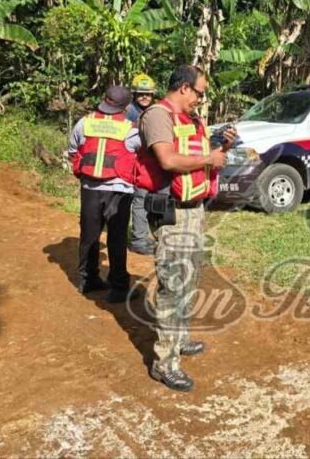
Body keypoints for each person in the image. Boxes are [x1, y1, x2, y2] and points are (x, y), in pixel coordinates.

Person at [136, 65, 236, 392]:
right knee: (173, 284)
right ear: (183, 88)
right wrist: (210, 158)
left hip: (194, 210)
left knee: (189, 279)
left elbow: (204, 159)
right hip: (172, 214)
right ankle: (164, 364)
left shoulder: (192, 121)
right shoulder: (157, 116)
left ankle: (179, 340)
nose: (200, 99)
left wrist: (222, 150)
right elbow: (167, 160)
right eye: (199, 93)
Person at [68, 85, 140, 304]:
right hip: (119, 190)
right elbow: (142, 154)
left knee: (89, 234)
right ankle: (118, 288)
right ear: (126, 106)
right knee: (117, 238)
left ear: (104, 101)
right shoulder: (131, 129)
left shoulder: (84, 122)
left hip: (89, 188)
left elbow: (73, 151)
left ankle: (87, 280)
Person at [127, 73, 157, 256]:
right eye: (140, 94)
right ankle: (139, 239)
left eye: (148, 94)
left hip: (149, 164)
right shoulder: (129, 112)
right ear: (134, 94)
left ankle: (144, 236)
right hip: (135, 164)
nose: (145, 97)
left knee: (148, 201)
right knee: (140, 202)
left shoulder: (153, 110)